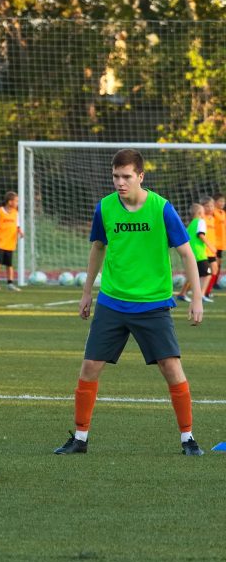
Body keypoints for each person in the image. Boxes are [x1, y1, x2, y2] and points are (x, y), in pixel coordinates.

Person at [54, 149, 205, 457]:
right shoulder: (105, 208)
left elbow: (187, 254)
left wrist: (197, 298)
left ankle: (188, 439)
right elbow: (98, 247)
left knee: (171, 367)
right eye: (115, 176)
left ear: (140, 176)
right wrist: (86, 292)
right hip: (112, 302)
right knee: (90, 366)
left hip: (153, 303)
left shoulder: (161, 209)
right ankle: (80, 439)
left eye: (125, 177)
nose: (119, 183)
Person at [174, 203, 213, 304]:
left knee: (194, 274)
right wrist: (211, 246)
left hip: (191, 253)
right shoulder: (201, 221)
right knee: (208, 274)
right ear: (200, 213)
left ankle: (182, 294)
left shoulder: (191, 224)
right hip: (199, 253)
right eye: (203, 212)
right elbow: (201, 235)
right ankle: (202, 295)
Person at [0, 191, 23, 291]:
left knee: (9, 265)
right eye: (16, 201)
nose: (17, 203)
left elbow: (17, 226)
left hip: (10, 243)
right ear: (9, 202)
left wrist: (20, 232)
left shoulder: (16, 213)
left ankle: (10, 283)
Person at [200, 196, 218, 300]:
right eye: (207, 206)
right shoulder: (202, 219)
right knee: (205, 273)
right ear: (202, 207)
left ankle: (207, 292)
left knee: (214, 270)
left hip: (212, 250)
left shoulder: (213, 219)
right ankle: (200, 293)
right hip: (204, 251)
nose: (210, 208)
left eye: (211, 206)